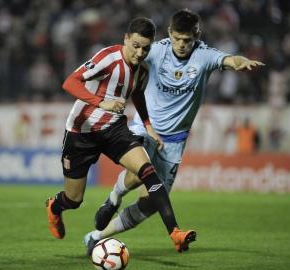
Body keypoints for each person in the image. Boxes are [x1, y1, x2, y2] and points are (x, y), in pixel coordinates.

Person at [84, 9, 265, 255]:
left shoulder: (204, 56)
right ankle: (113, 198)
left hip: (175, 142)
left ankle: (96, 236)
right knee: (139, 173)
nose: (181, 45)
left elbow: (228, 59)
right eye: (177, 38)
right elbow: (129, 54)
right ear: (169, 33)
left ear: (196, 35)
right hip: (145, 128)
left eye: (187, 40)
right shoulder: (156, 50)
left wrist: (238, 62)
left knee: (148, 205)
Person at [46, 17, 196, 253]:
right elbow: (70, 82)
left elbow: (136, 94)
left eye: (145, 48)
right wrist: (100, 103)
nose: (139, 52)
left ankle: (175, 232)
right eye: (135, 45)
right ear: (126, 39)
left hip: (114, 129)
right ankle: (55, 206)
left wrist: (147, 124)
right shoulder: (108, 58)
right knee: (74, 199)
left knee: (147, 171)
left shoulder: (142, 69)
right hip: (81, 132)